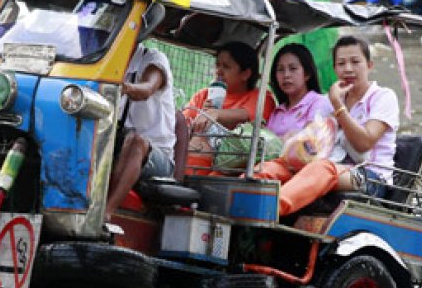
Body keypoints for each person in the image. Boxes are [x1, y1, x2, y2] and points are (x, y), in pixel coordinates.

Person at [253, 35, 399, 217]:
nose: (348, 69)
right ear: (334, 68)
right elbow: (315, 142)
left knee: (321, 168)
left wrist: (339, 106)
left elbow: (365, 143)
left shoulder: (383, 97)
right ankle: (238, 202)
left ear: (369, 65)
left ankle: (269, 211)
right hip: (333, 167)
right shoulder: (328, 102)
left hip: (370, 176)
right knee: (274, 166)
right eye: (341, 64)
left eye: (355, 62)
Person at [105, 44, 176, 221]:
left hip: (157, 158)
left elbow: (147, 89)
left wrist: (126, 88)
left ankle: (105, 212)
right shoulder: (105, 61)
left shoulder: (154, 60)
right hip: (121, 146)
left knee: (135, 141)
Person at [183, 41, 276, 175]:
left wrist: (214, 114)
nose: (218, 71)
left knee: (199, 143)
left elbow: (246, 115)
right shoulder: (203, 95)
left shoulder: (261, 96)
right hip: (196, 158)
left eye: (226, 67)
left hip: (235, 165)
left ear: (246, 74)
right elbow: (184, 123)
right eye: (217, 65)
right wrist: (201, 117)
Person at [266, 43, 333, 139]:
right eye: (280, 69)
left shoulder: (319, 102)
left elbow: (309, 139)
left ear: (307, 74)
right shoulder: (277, 112)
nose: (286, 75)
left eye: (293, 68)